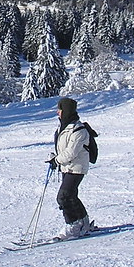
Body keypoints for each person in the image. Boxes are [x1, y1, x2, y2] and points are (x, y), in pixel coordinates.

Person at [48, 97, 96, 241]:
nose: (57, 112)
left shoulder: (78, 129)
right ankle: (83, 222)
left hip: (77, 167)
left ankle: (73, 225)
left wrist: (57, 160)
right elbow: (63, 148)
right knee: (71, 196)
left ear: (66, 111)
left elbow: (72, 152)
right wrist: (55, 157)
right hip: (67, 167)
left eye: (60, 109)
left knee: (63, 197)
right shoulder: (64, 126)